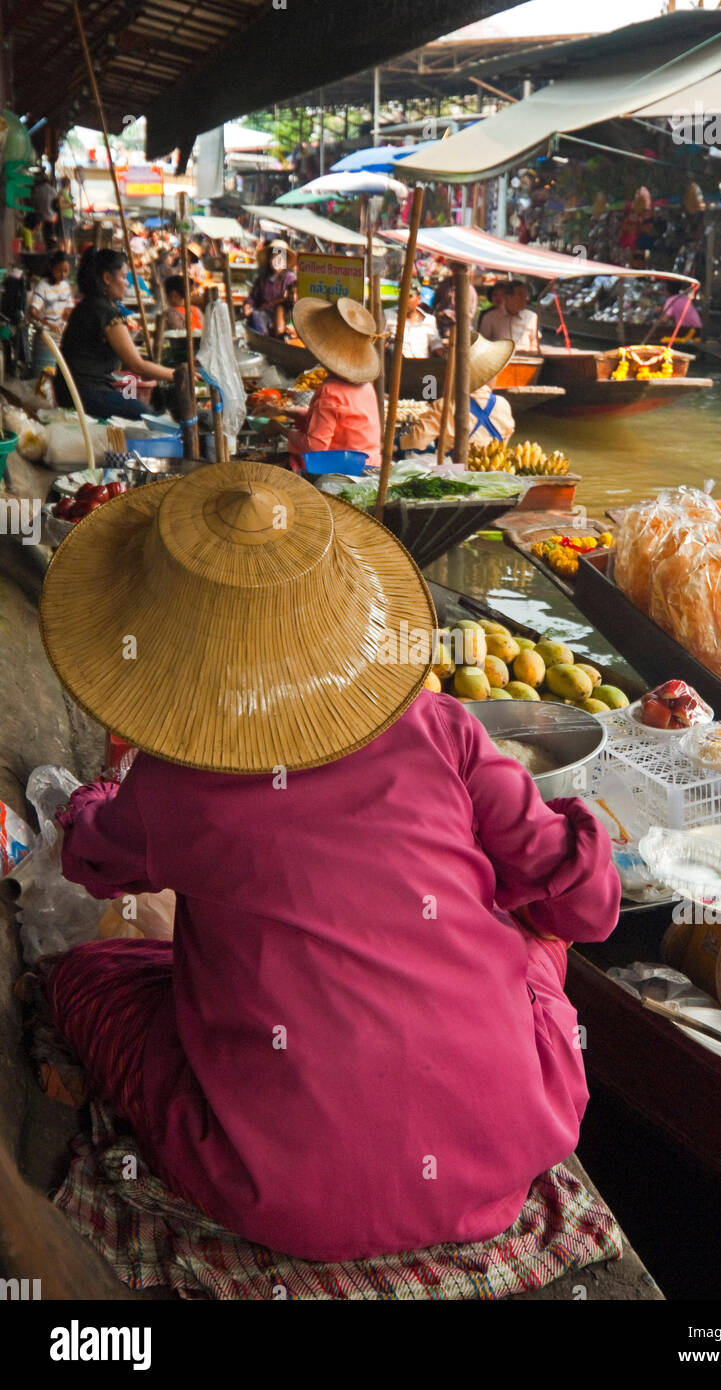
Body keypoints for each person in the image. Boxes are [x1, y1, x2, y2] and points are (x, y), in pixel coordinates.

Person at [26, 457, 619, 1266]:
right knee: (533, 941)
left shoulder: (172, 782)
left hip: (282, 1194)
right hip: (509, 1147)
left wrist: (97, 795)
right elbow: (582, 907)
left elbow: (93, 860)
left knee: (86, 979)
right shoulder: (439, 724)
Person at [56, 247, 178, 420]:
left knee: (138, 405)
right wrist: (177, 375)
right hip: (84, 394)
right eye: (123, 277)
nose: (127, 283)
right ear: (107, 278)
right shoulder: (104, 312)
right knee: (146, 415)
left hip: (70, 390)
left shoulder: (88, 305)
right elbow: (137, 366)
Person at [285, 297, 382, 468]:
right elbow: (333, 420)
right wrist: (286, 412)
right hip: (371, 464)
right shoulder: (365, 385)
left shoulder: (331, 390)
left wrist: (282, 431)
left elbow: (315, 446)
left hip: (346, 472)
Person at [399, 334, 516, 456]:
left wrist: (399, 440)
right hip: (492, 469)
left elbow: (415, 442)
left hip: (456, 471)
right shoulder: (503, 404)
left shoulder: (445, 405)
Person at [28, 250, 74, 370]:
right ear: (51, 268)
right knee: (43, 374)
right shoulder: (42, 286)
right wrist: (48, 324)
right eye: (59, 270)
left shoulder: (65, 286)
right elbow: (32, 312)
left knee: (57, 373)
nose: (63, 275)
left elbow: (68, 310)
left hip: (60, 338)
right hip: (45, 339)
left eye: (66, 271)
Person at [243, 240, 297, 336]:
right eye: (274, 257)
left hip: (283, 317)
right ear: (270, 259)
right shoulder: (262, 278)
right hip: (262, 315)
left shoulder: (290, 278)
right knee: (256, 316)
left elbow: (292, 300)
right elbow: (253, 297)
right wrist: (247, 305)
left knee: (279, 310)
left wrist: (282, 301)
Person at [385, 278, 443, 357]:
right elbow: (380, 340)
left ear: (418, 299)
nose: (404, 300)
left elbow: (436, 345)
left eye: (409, 296)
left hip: (423, 366)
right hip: (396, 365)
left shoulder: (429, 320)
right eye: (401, 295)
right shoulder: (387, 315)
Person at [480, 280, 541, 353]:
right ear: (507, 297)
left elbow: (534, 343)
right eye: (520, 295)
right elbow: (483, 344)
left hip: (525, 360)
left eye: (525, 296)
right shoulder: (490, 318)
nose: (524, 299)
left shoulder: (532, 317)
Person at [432, 267, 478, 342]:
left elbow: (469, 315)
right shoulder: (444, 285)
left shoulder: (470, 290)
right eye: (455, 269)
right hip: (442, 328)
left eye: (461, 270)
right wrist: (440, 314)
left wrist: (450, 315)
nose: (457, 273)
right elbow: (435, 303)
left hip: (461, 331)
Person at [57, 177, 76, 253]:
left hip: (69, 218)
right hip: (64, 217)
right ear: (68, 184)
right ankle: (65, 254)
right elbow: (60, 205)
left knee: (67, 238)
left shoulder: (66, 193)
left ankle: (66, 254)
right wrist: (70, 205)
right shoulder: (62, 193)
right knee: (65, 238)